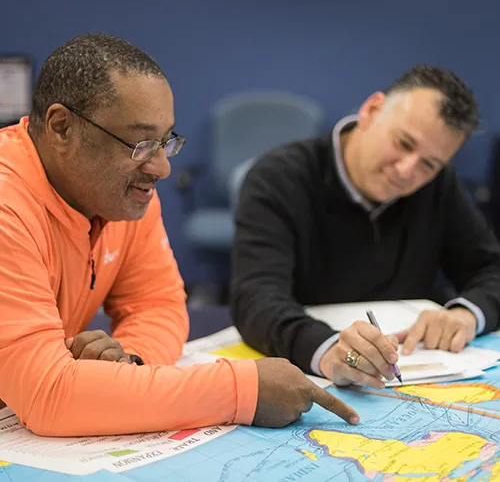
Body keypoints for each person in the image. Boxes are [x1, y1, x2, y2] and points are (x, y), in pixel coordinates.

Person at [0, 33, 359, 436]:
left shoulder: (118, 194)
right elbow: (50, 396)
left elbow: (157, 303)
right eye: (139, 144)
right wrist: (242, 390)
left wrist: (129, 365)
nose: (161, 168)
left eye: (165, 142)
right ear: (62, 127)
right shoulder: (7, 202)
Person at [231, 65, 500, 390]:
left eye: (429, 164)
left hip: (413, 378)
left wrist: (465, 315)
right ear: (372, 110)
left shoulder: (438, 186)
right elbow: (255, 297)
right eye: (403, 143)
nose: (406, 171)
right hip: (314, 375)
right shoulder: (279, 177)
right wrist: (326, 347)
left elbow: (490, 269)